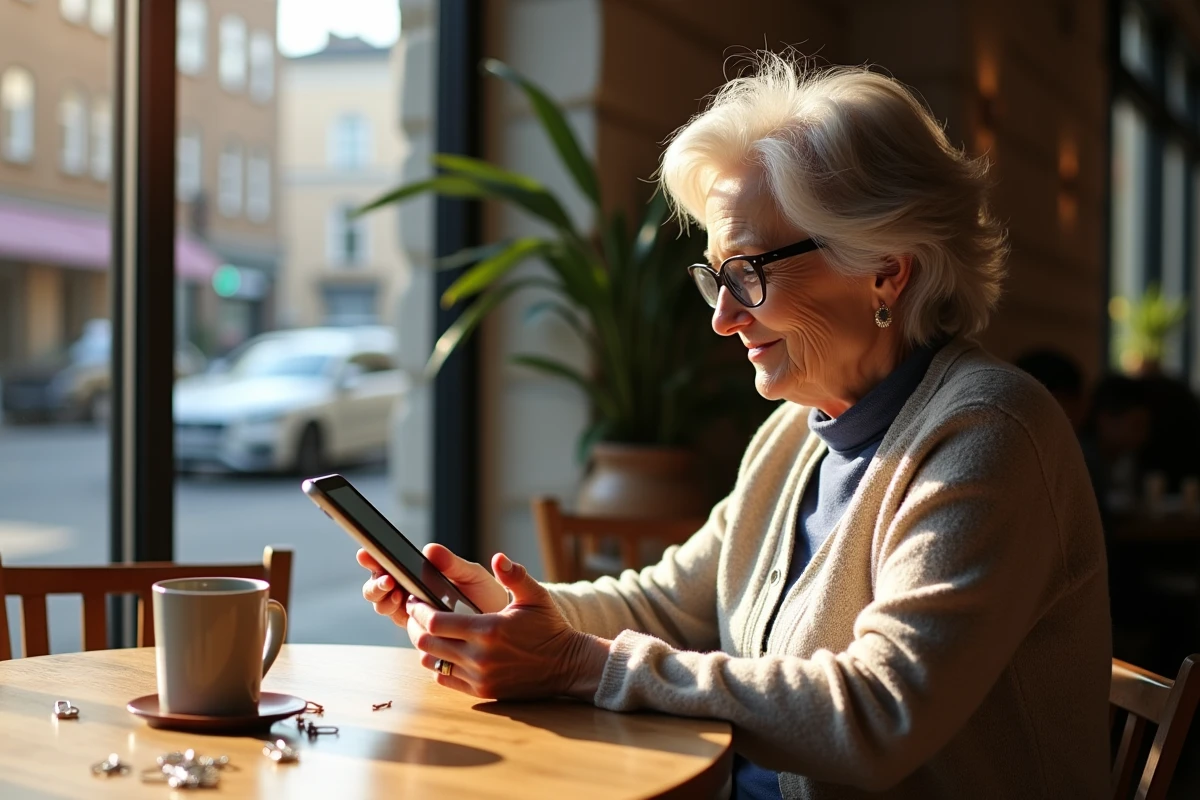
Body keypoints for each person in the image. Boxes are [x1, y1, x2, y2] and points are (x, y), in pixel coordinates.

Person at [358, 54, 1111, 798]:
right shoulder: (795, 434)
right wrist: (507, 613)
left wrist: (575, 664)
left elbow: (879, 713)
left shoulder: (990, 435)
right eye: (716, 276)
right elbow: (669, 604)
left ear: (886, 266)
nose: (723, 317)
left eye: (749, 270)